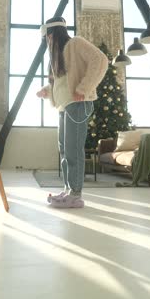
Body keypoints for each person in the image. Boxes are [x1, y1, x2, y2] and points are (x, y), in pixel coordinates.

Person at [36, 16, 108, 208]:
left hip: (78, 104)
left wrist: (83, 88)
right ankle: (69, 190)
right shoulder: (58, 56)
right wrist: (47, 90)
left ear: (53, 34)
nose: (48, 42)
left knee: (73, 149)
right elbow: (62, 83)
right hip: (65, 106)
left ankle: (75, 194)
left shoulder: (75, 43)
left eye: (48, 38)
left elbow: (100, 60)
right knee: (65, 149)